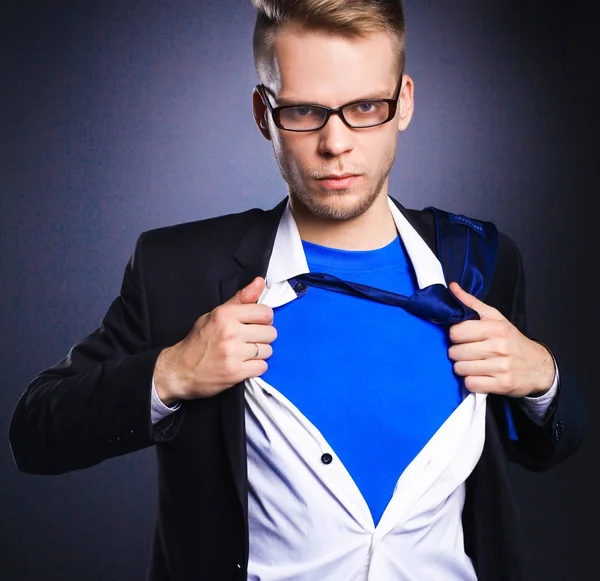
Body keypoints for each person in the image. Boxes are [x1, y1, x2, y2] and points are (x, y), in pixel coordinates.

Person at [9, 1, 585, 580]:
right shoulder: (179, 270)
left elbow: (544, 447)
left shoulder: (482, 260)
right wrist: (173, 372)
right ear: (264, 113)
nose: (336, 143)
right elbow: (35, 434)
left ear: (403, 101)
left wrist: (544, 378)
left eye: (365, 107)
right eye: (305, 111)